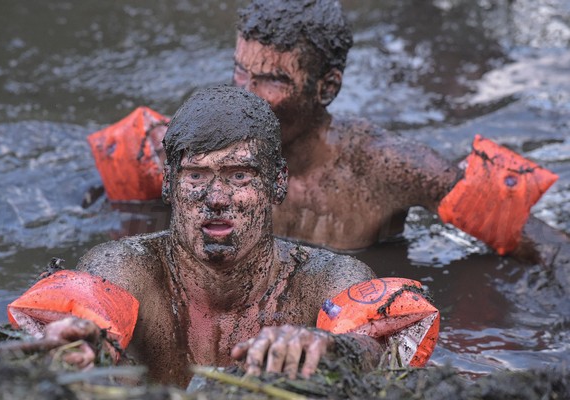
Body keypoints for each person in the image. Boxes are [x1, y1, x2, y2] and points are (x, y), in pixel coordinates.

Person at [9, 86, 438, 387]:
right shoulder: (125, 267)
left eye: (239, 175)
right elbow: (87, 316)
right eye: (197, 174)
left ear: (277, 184)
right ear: (168, 184)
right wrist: (80, 342)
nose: (216, 197)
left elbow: (380, 349)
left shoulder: (324, 280)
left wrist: (330, 349)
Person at [231, 0, 565, 261]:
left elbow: (550, 250)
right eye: (240, 71)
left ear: (327, 88)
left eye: (274, 80)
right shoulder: (206, 149)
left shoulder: (388, 166)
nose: (245, 95)